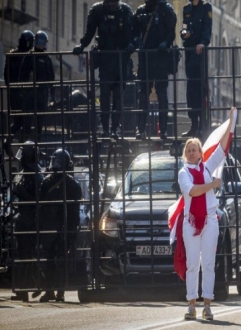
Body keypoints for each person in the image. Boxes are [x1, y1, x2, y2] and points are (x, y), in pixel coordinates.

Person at [178, 107, 236, 320]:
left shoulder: (208, 167)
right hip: (191, 222)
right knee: (193, 263)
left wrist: (231, 121)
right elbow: (192, 191)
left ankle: (208, 305)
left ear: (202, 153)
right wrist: (212, 184)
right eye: (189, 150)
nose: (192, 152)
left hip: (210, 219)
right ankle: (191, 304)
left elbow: (222, 147)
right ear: (186, 154)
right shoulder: (183, 173)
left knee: (208, 263)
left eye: (195, 149)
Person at [72, 0, 134, 139]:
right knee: (105, 97)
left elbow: (131, 33)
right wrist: (82, 45)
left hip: (120, 60)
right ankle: (106, 128)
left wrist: (131, 45)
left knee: (118, 98)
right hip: (106, 60)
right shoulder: (97, 10)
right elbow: (90, 31)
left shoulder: (125, 10)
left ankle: (114, 129)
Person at [38, 149, 82, 302]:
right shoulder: (72, 184)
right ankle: (57, 292)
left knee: (53, 260)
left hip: (54, 226)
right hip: (60, 226)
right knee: (58, 260)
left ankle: (54, 291)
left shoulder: (48, 182)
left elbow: (41, 207)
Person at [133, 0, 177, 140]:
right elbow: (134, 31)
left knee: (162, 94)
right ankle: (140, 129)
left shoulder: (166, 10)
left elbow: (171, 33)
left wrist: (165, 43)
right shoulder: (140, 11)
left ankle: (163, 130)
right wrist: (136, 41)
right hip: (145, 59)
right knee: (143, 94)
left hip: (161, 59)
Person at [10, 141, 44, 302]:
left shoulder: (37, 176)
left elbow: (37, 200)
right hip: (23, 218)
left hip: (31, 219)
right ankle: (22, 290)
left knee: (29, 255)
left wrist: (21, 192)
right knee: (21, 255)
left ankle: (37, 284)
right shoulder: (24, 174)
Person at [180, 0, 212, 137]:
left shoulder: (206, 8)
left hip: (200, 54)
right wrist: (184, 33)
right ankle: (193, 124)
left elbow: (207, 29)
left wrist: (203, 43)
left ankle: (201, 125)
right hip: (189, 53)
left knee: (201, 89)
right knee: (191, 89)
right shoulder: (186, 9)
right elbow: (184, 27)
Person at [18, 30, 55, 140]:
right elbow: (22, 74)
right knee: (27, 124)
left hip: (42, 95)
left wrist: (52, 97)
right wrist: (22, 90)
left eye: (42, 43)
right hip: (30, 94)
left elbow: (51, 80)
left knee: (40, 124)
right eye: (38, 42)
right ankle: (22, 148)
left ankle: (37, 148)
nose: (40, 45)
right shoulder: (30, 56)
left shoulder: (47, 59)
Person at [3, 30, 34, 150]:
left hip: (14, 92)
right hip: (23, 93)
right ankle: (24, 150)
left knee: (18, 121)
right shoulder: (25, 56)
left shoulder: (12, 55)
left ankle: (9, 141)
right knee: (25, 123)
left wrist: (11, 88)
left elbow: (6, 75)